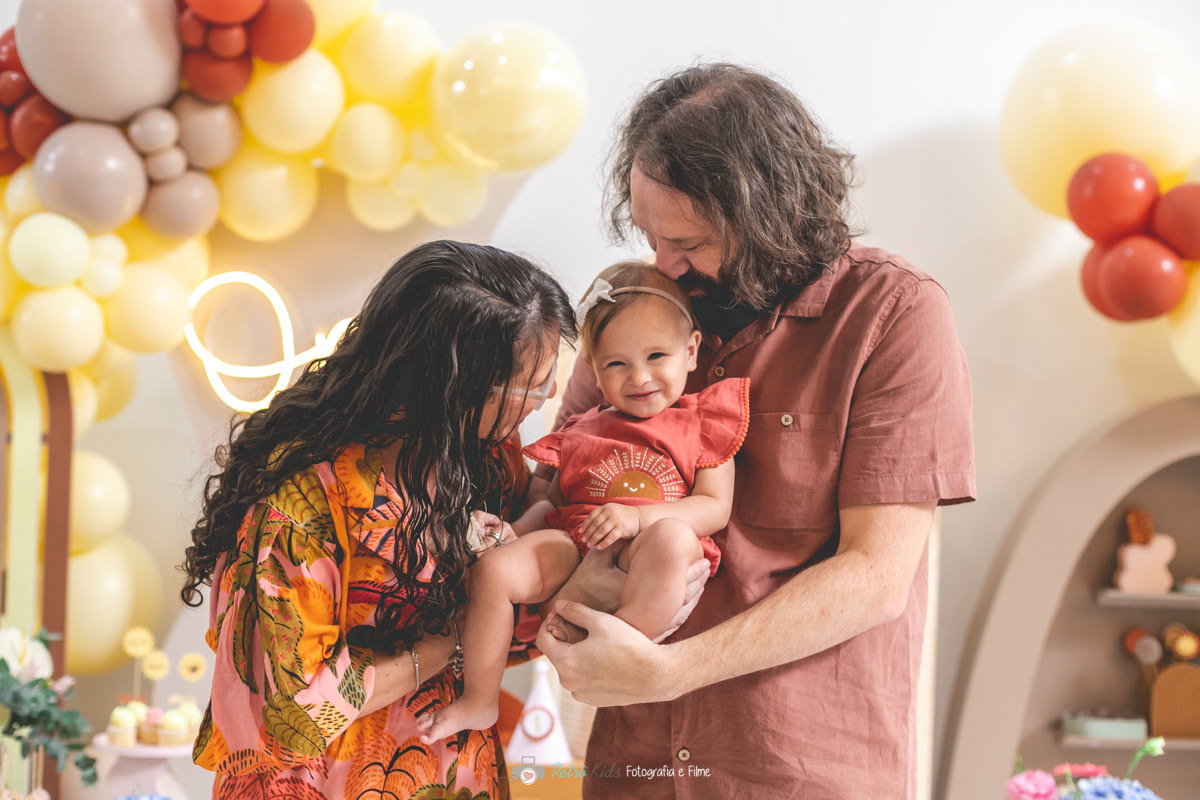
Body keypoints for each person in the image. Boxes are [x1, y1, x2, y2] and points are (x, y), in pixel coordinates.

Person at [533, 64, 976, 799]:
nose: (664, 266)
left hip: (796, 768)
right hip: (633, 763)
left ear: (771, 214)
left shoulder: (894, 315)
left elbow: (877, 577)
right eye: (650, 236)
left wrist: (670, 673)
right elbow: (564, 487)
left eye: (689, 242)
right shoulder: (640, 313)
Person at [181, 240, 580, 799]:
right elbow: (296, 716)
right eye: (530, 385)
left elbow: (513, 621)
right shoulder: (299, 508)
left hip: (458, 776)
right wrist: (447, 644)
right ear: (454, 387)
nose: (547, 397)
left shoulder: (487, 461)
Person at [416, 261, 745, 744]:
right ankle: (481, 698)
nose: (639, 377)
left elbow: (713, 508)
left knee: (674, 538)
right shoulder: (580, 426)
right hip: (576, 541)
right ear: (593, 367)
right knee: (494, 570)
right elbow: (549, 499)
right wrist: (515, 534)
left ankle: (617, 648)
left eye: (657, 356)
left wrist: (637, 518)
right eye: (617, 364)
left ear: (691, 350)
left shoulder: (704, 423)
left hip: (649, 548)